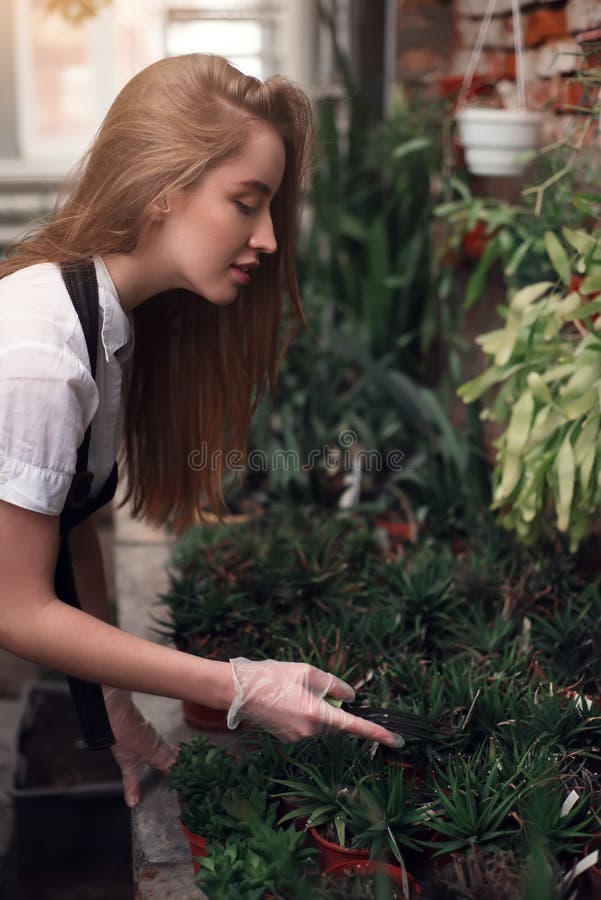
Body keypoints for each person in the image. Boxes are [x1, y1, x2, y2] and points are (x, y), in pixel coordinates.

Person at [0, 54, 402, 808]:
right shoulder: (40, 351)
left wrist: (110, 698)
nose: (269, 241)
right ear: (161, 188)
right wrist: (240, 686)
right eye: (246, 202)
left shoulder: (101, 325)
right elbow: (15, 607)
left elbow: (70, 521)